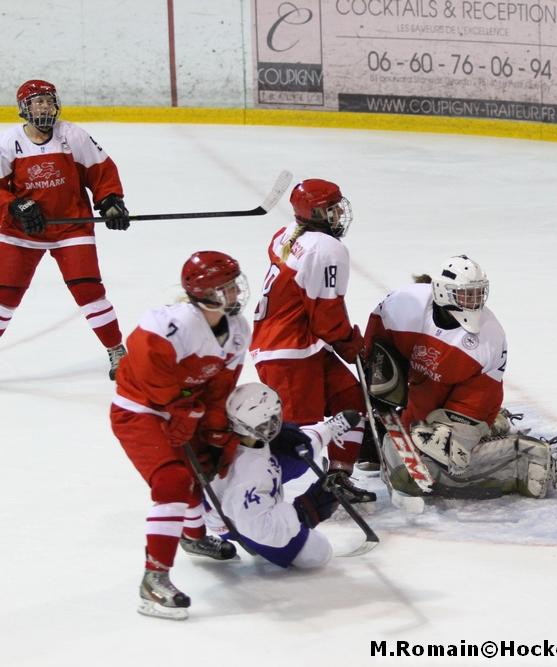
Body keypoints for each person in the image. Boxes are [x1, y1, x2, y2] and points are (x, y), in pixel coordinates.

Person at [110, 250, 251, 621]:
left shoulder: (238, 331)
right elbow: (142, 371)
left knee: (200, 471)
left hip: (186, 409)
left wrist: (217, 430)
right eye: (226, 287)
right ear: (204, 292)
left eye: (235, 284)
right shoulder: (169, 325)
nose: (236, 292)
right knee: (172, 480)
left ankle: (192, 536)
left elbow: (220, 389)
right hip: (139, 411)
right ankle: (154, 579)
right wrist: (180, 406)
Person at [362, 255, 557, 501]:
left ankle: (522, 457)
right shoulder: (406, 304)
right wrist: (379, 384)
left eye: (479, 294)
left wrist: (458, 429)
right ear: (444, 292)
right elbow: (375, 342)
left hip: (467, 400)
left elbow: (480, 397)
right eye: (467, 294)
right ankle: (493, 428)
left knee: (436, 457)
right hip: (422, 385)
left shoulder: (488, 337)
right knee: (399, 452)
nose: (475, 302)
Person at [0, 79, 131, 379]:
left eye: (48, 100)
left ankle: (116, 349)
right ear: (24, 108)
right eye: (37, 101)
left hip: (71, 226)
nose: (44, 106)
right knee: (4, 295)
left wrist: (111, 201)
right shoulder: (8, 142)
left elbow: (101, 172)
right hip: (22, 232)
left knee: (89, 290)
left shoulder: (72, 136)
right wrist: (15, 206)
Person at [250, 178, 367, 472]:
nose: (339, 215)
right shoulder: (326, 248)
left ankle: (339, 475)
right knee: (295, 438)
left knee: (350, 399)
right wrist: (350, 344)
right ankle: (259, 492)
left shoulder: (287, 234)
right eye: (331, 210)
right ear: (315, 214)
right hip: (288, 353)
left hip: (302, 345)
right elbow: (326, 316)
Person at [204, 382, 375, 569]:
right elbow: (261, 528)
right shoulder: (248, 476)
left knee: (297, 448)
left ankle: (325, 430)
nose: (273, 425)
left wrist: (322, 432)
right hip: (234, 520)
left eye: (274, 417)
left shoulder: (244, 439)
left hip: (245, 485)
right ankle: (248, 543)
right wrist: (305, 510)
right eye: (266, 422)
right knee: (316, 553)